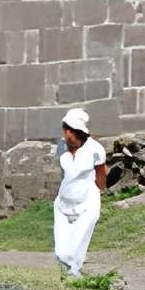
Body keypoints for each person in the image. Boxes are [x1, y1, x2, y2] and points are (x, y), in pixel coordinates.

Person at [52, 107, 107, 277]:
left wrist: (94, 195)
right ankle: (70, 270)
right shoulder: (61, 147)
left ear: (72, 131)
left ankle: (74, 273)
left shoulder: (95, 149)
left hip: (87, 202)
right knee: (61, 250)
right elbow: (66, 175)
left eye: (65, 129)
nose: (64, 133)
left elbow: (101, 177)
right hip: (64, 202)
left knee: (78, 243)